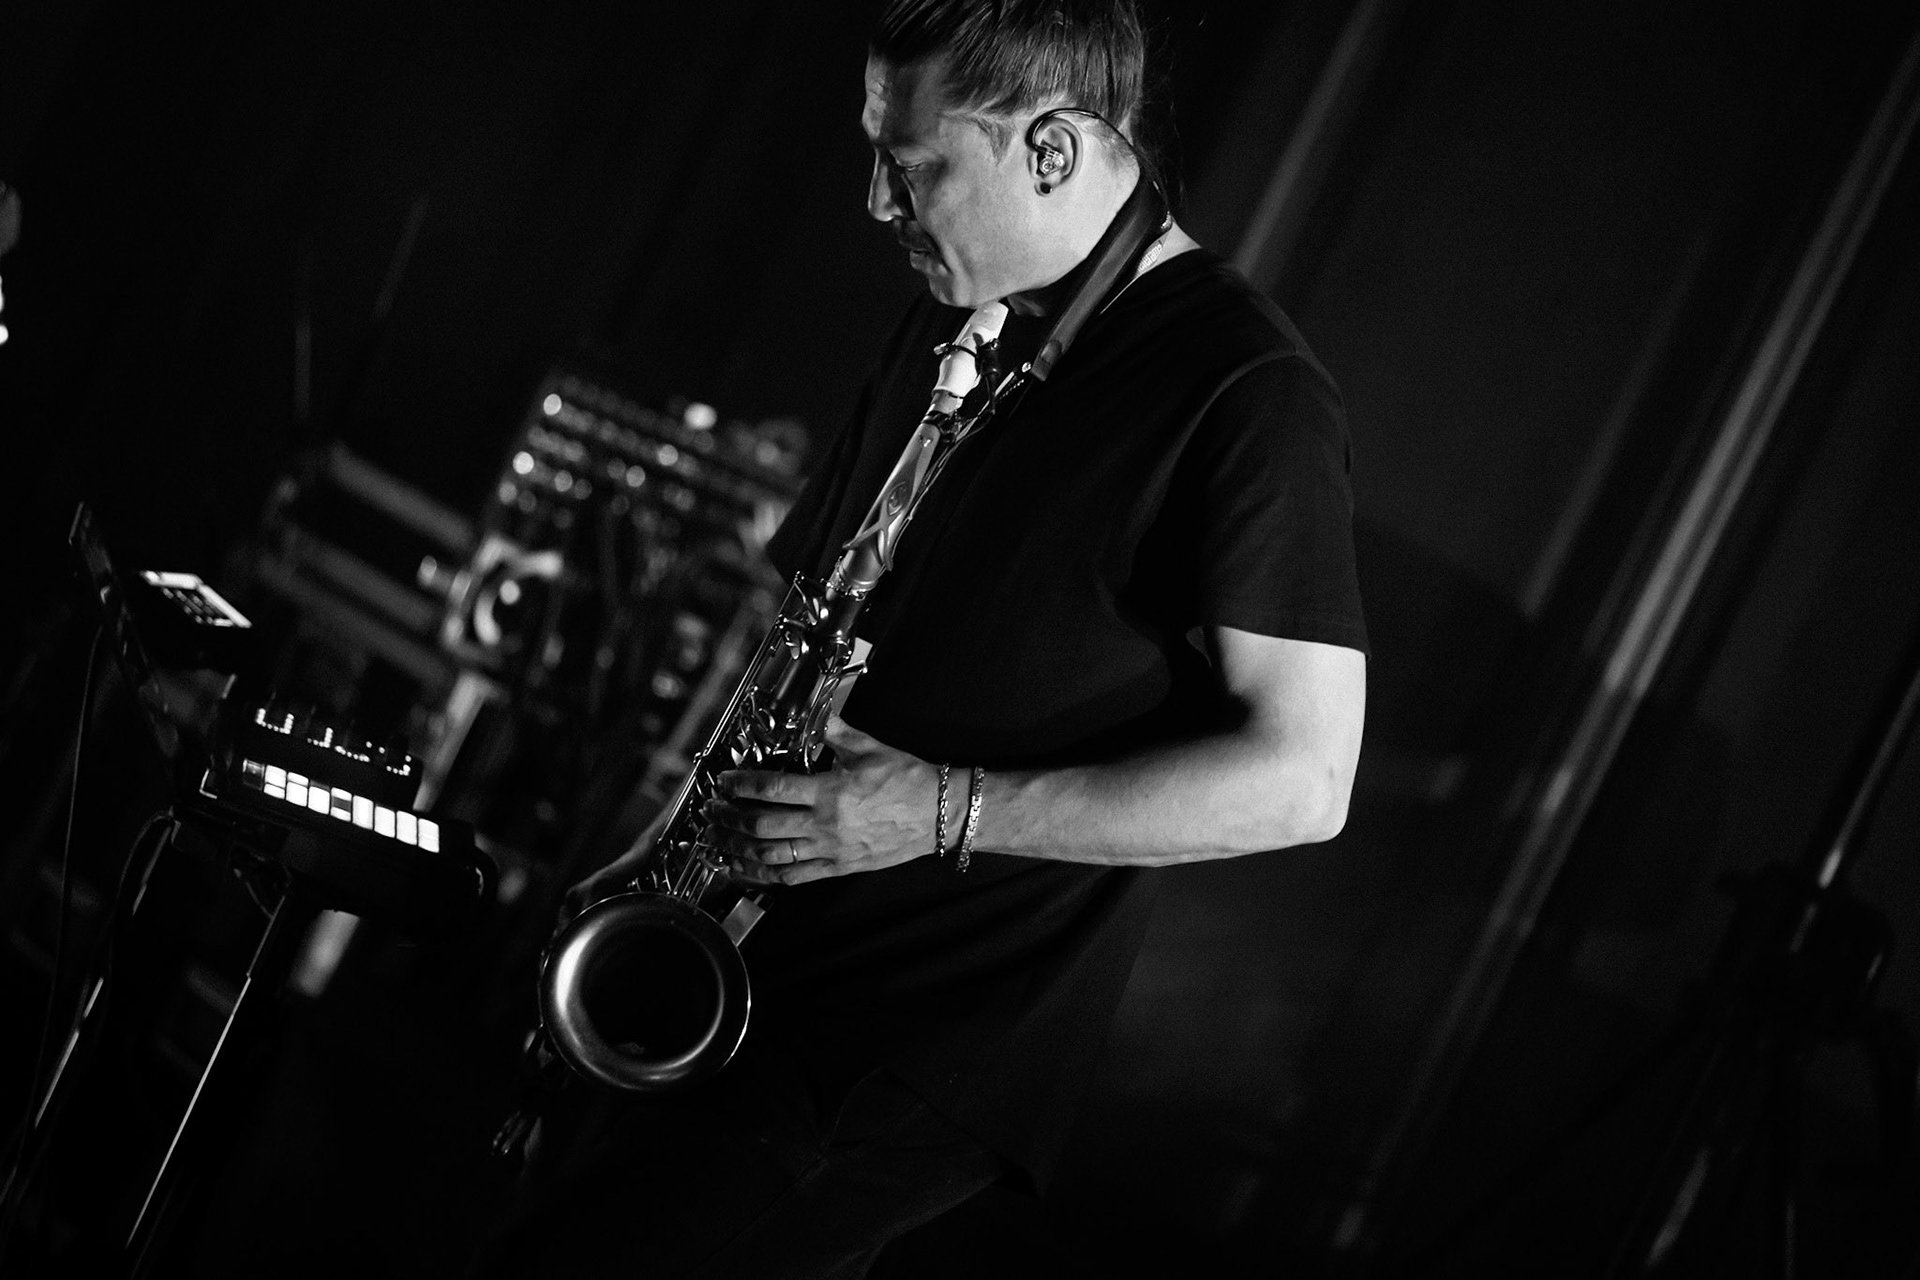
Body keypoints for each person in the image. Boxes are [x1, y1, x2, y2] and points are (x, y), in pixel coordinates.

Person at [480, 2, 1366, 1275]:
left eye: (911, 163)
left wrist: (937, 809)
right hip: (758, 979)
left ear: (1052, 151)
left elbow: (1305, 778)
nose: (875, 199)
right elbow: (811, 632)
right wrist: (666, 849)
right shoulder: (961, 315)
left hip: (906, 1044)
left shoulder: (1249, 391)